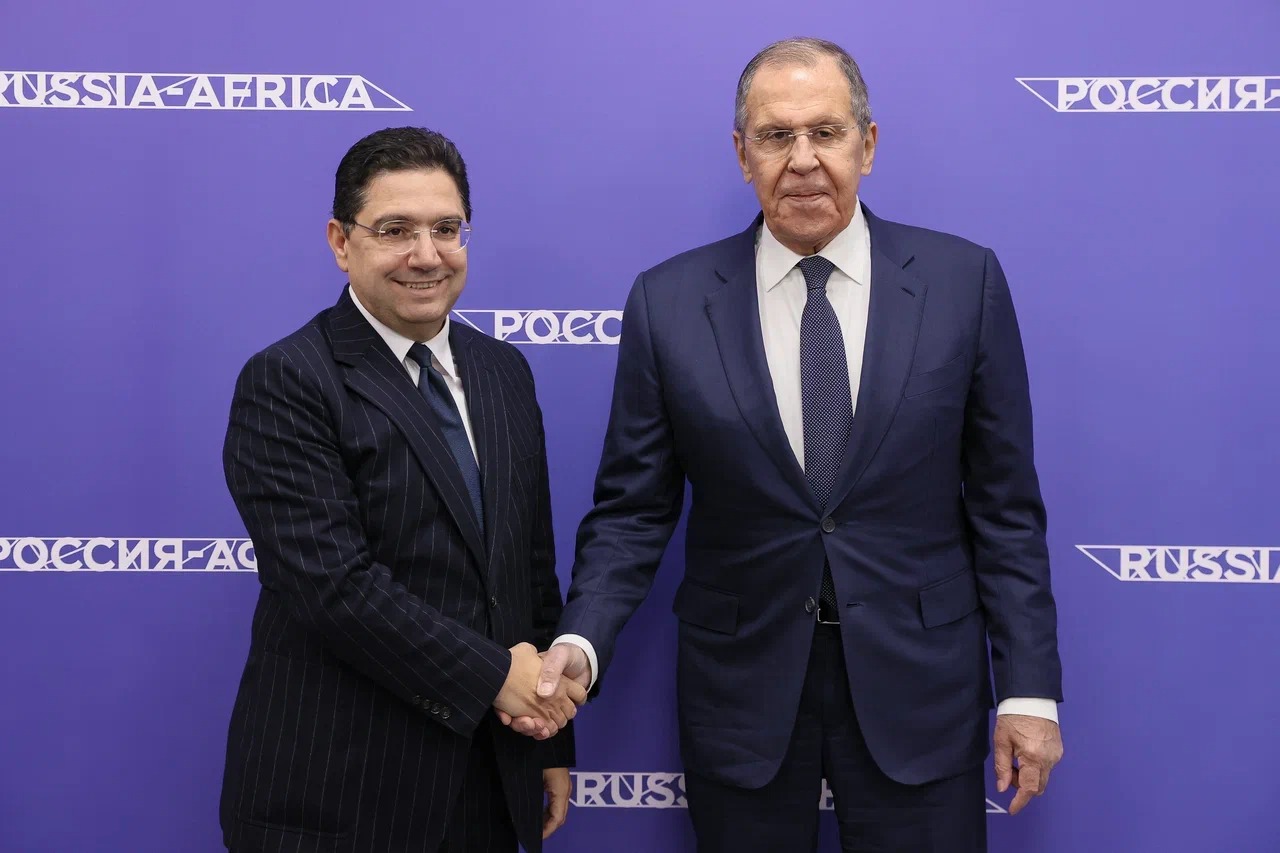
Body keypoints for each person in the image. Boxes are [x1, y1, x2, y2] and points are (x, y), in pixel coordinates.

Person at [512, 38, 1064, 852]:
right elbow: (632, 511)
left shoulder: (963, 283)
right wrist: (580, 642)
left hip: (920, 687)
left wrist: (1029, 691)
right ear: (743, 155)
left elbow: (1005, 510)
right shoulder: (669, 303)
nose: (803, 159)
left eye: (826, 132)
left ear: (867, 145)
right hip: (742, 694)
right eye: (776, 136)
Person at [219, 126, 582, 853]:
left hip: (490, 776)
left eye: (446, 228)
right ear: (340, 241)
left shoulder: (504, 372)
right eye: (395, 230)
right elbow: (334, 587)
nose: (426, 254)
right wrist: (495, 677)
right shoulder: (288, 380)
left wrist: (548, 737)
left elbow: (529, 569)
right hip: (340, 794)